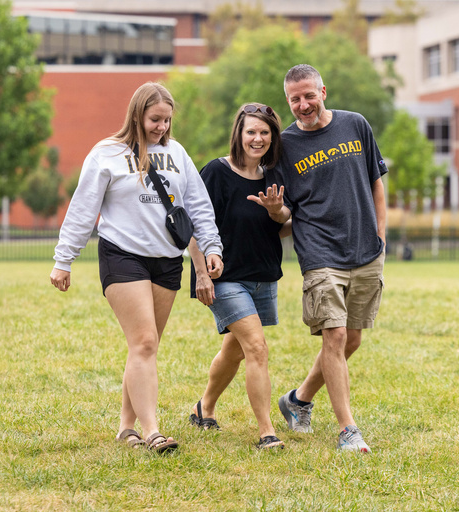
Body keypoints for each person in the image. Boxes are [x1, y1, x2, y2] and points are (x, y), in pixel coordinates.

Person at [50, 82, 224, 454]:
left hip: (167, 260)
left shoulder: (176, 153)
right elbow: (83, 208)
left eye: (166, 120)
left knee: (144, 347)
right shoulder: (107, 153)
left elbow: (197, 205)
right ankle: (152, 431)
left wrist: (211, 248)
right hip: (122, 255)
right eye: (154, 119)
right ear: (137, 114)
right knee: (144, 341)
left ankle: (126, 427)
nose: (161, 127)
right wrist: (64, 259)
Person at [249, 64, 388, 453]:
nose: (302, 104)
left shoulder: (355, 125)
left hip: (365, 249)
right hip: (320, 252)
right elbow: (284, 216)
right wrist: (276, 211)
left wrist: (381, 235)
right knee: (336, 335)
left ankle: (298, 400)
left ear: (323, 91)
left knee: (352, 339)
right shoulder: (284, 147)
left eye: (309, 95)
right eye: (294, 98)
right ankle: (348, 429)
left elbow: (376, 181)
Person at [187, 103, 290, 450]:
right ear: (239, 134)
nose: (257, 138)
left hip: (263, 275)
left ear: (272, 137)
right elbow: (191, 223)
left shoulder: (274, 175)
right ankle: (266, 432)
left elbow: (285, 226)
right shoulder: (217, 172)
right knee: (256, 348)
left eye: (264, 132)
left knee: (235, 350)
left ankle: (204, 408)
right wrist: (201, 272)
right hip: (226, 277)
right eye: (251, 132)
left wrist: (278, 213)